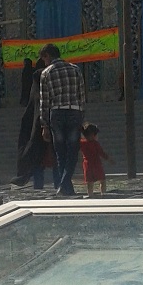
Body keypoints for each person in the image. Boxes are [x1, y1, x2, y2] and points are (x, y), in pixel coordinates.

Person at [38, 42, 85, 196]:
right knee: (73, 150)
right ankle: (66, 187)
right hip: (74, 111)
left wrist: (44, 125)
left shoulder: (46, 73)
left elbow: (45, 101)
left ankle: (63, 184)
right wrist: (81, 115)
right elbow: (81, 95)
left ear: (47, 56)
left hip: (56, 113)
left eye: (44, 59)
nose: (44, 62)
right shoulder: (75, 69)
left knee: (60, 151)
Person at [10, 59, 60, 190]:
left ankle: (39, 186)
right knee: (55, 159)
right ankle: (58, 186)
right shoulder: (50, 86)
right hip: (52, 127)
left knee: (40, 160)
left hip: (38, 131)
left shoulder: (37, 87)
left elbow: (32, 114)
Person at [80, 122, 112, 197]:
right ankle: (103, 194)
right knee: (102, 181)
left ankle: (90, 195)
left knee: (89, 182)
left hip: (87, 164)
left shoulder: (82, 143)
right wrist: (109, 159)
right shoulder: (95, 144)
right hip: (97, 164)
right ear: (92, 135)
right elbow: (101, 153)